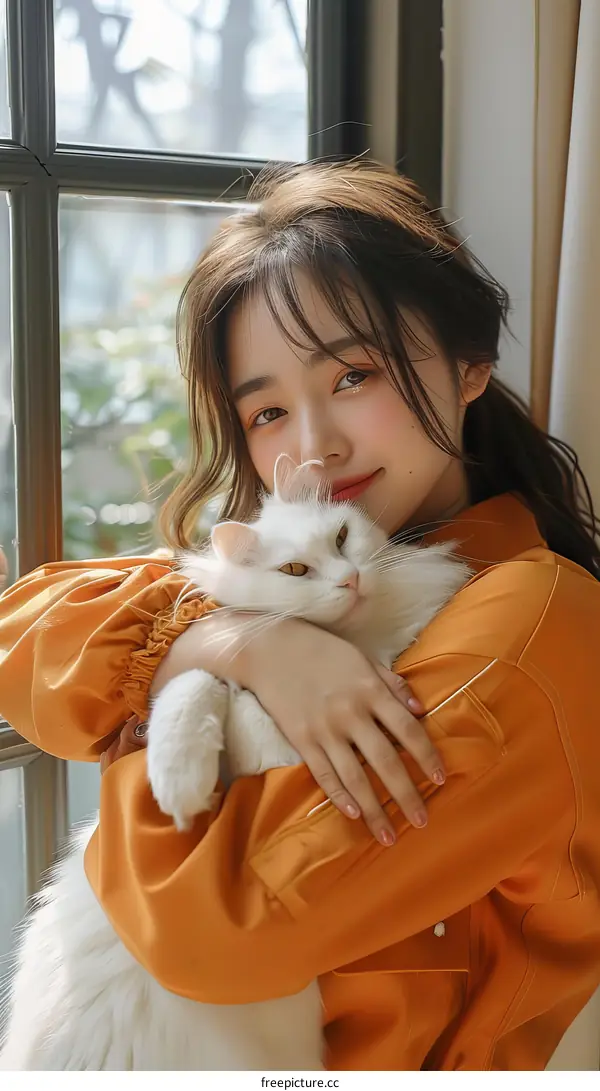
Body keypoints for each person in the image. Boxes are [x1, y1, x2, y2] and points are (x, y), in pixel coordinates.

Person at [1, 159, 600, 1071]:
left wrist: (167, 702)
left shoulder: (530, 620)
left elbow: (218, 927)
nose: (315, 441)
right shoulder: (349, 559)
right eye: (269, 409)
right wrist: (230, 642)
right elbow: (23, 632)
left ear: (470, 363)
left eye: (355, 374)